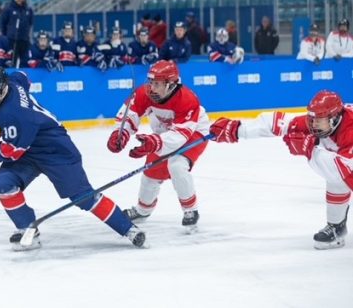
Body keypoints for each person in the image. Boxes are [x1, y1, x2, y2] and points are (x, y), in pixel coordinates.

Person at [0, 65, 146, 250]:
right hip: (29, 151)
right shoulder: (13, 82)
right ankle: (27, 229)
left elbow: (12, 151)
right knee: (4, 183)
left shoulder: (15, 114)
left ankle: (128, 229)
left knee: (84, 197)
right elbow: (23, 77)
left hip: (56, 150)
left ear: (1, 87)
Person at [209, 90, 352, 250]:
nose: (313, 124)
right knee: (336, 182)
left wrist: (309, 149)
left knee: (338, 176)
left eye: (319, 121)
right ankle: (336, 227)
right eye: (312, 119)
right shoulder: (325, 120)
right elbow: (281, 122)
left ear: (335, 118)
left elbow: (342, 170)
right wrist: (237, 129)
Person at [106, 60, 210, 232]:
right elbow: (131, 113)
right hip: (164, 135)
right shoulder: (146, 93)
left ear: (171, 84)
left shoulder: (187, 99)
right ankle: (143, 210)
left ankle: (190, 209)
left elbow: (180, 136)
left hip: (194, 133)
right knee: (150, 173)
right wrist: (121, 133)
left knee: (177, 165)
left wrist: (155, 143)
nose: (151, 88)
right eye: (150, 82)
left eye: (157, 84)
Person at [0, 0, 34, 67]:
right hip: (12, 41)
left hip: (24, 40)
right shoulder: (8, 9)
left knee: (26, 62)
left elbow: (30, 23)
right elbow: (3, 24)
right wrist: (7, 36)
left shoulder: (28, 9)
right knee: (11, 62)